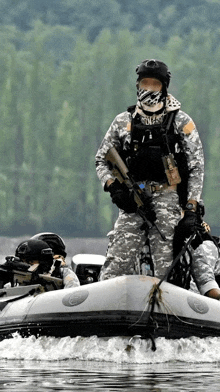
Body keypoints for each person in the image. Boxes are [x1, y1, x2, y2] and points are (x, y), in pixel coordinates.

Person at [95, 59, 204, 280]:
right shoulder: (123, 121)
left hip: (167, 198)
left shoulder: (180, 122)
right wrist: (113, 187)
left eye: (155, 84)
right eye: (145, 83)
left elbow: (196, 167)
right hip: (133, 200)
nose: (149, 89)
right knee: (114, 267)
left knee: (167, 270)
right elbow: (101, 160)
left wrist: (191, 208)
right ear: (137, 85)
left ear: (164, 87)